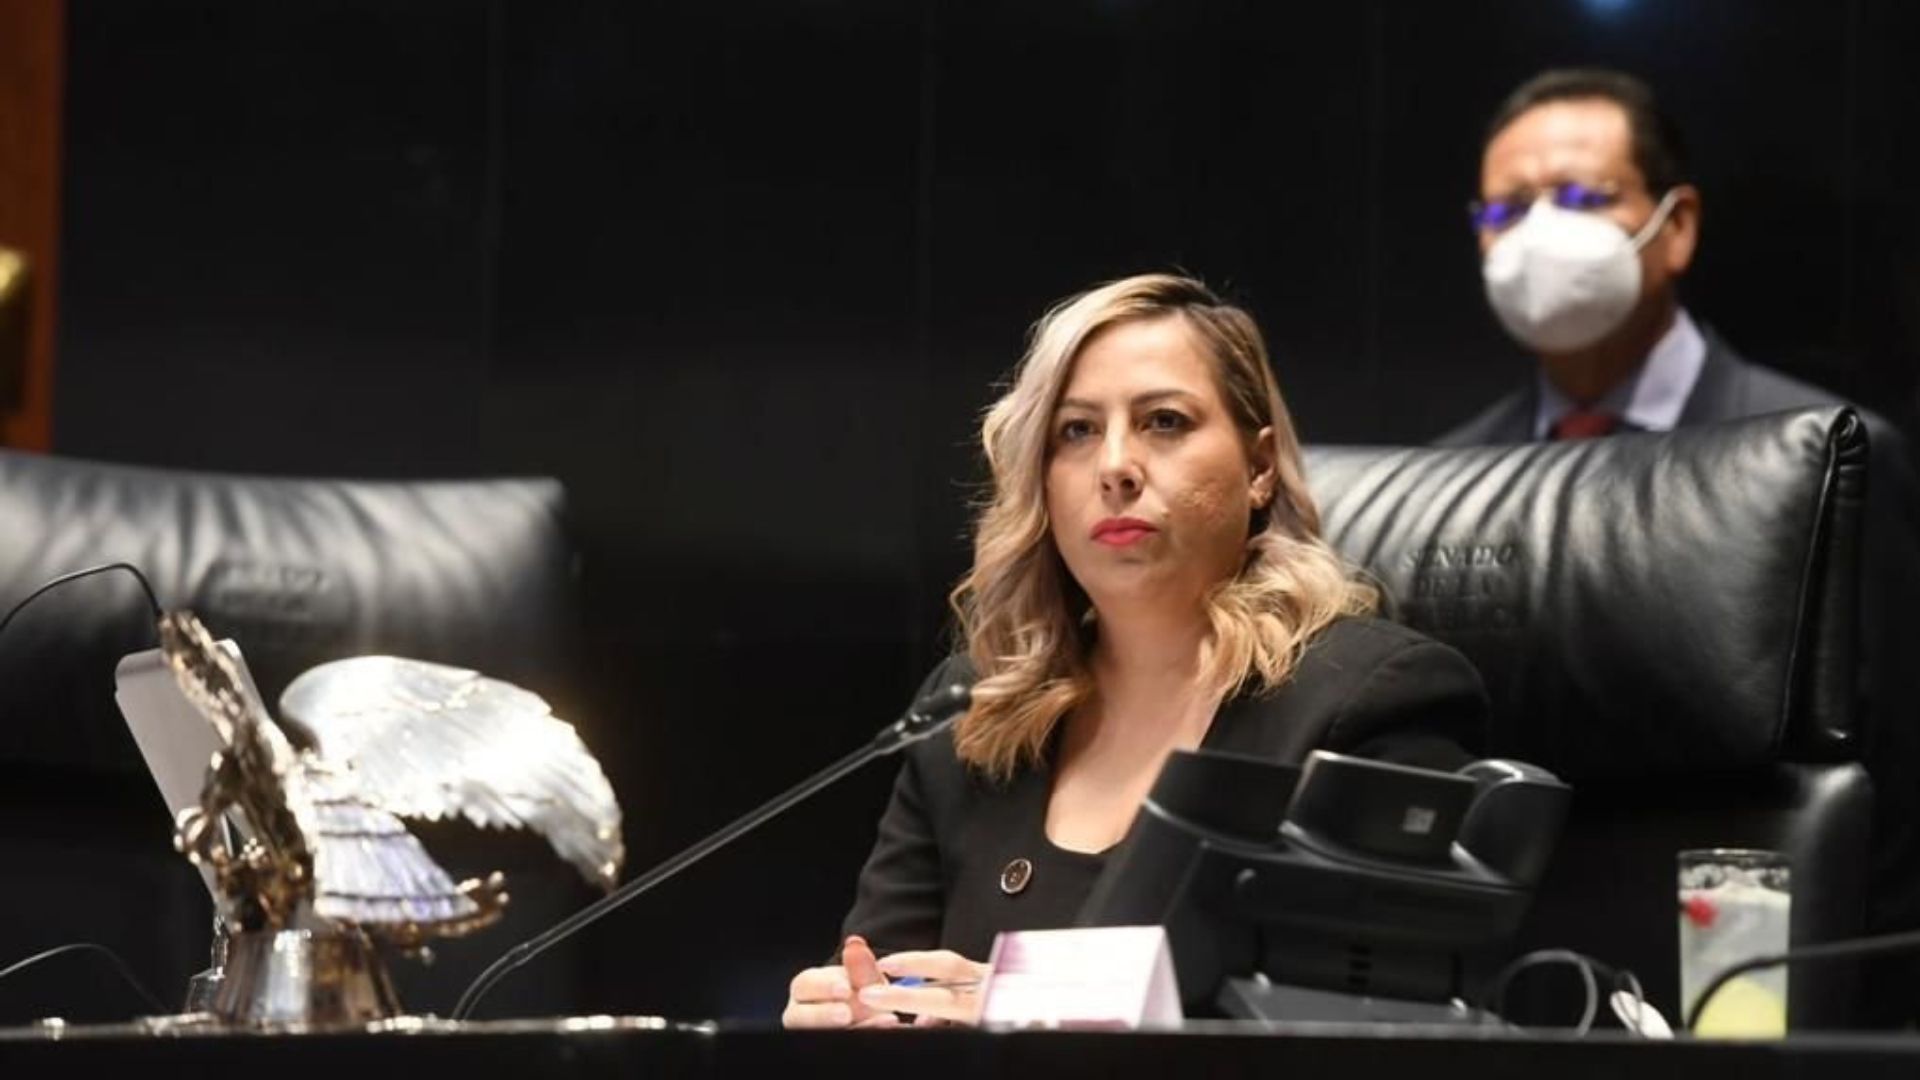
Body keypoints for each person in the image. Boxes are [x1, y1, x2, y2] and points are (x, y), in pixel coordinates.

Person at [783, 273, 1489, 1029]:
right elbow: (888, 982)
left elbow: (1370, 1028)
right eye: (1076, 432)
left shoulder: (1368, 700)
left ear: (1258, 468)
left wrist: (1028, 1007)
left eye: (1164, 421)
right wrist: (851, 1023)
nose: (1115, 465)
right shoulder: (972, 713)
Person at [1443, 68, 1920, 1026]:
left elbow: (1904, 799)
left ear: (1678, 225)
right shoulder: (1452, 483)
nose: (1541, 233)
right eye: (1508, 209)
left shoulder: (1828, 456)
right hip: (1523, 1001)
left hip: (1781, 1009)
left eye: (1584, 198)